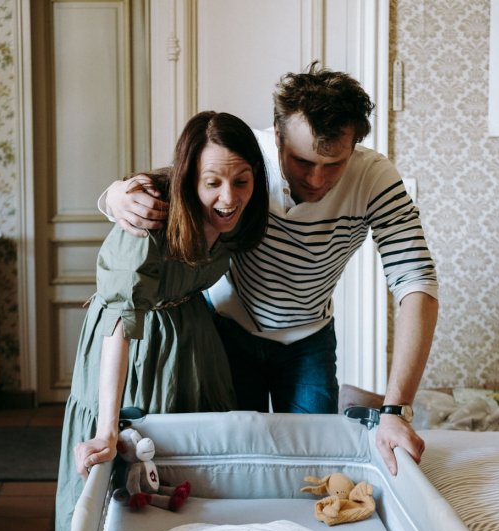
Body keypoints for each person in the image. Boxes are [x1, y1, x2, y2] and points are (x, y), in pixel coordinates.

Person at [100, 63, 438, 476]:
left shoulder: (375, 178)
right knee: (236, 462)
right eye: (301, 161)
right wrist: (114, 194)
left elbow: (416, 281)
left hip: (309, 338)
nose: (316, 179)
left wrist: (395, 408)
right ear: (276, 136)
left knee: (315, 464)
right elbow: (182, 179)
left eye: (334, 165)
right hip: (226, 331)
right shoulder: (246, 160)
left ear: (355, 147)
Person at [55, 111, 269, 531]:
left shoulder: (244, 215)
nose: (228, 198)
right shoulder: (148, 215)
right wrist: (107, 429)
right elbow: (120, 321)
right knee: (129, 458)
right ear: (190, 176)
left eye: (241, 182)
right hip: (131, 340)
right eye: (212, 182)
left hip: (192, 336)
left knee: (189, 461)